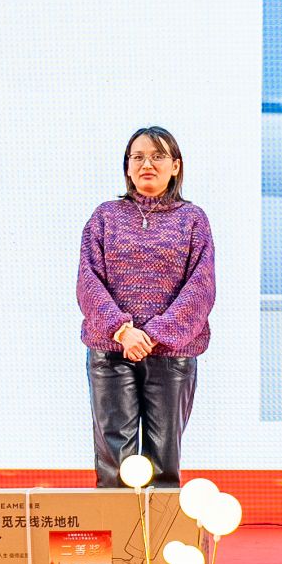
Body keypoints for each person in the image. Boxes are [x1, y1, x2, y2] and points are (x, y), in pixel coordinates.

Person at [77, 127, 216, 488]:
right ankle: (118, 526)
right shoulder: (104, 216)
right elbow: (88, 282)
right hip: (111, 351)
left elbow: (200, 289)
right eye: (137, 157)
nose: (146, 164)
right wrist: (123, 331)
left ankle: (161, 527)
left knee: (163, 463)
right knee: (115, 464)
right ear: (127, 167)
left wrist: (152, 335)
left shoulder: (193, 219)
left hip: (171, 354)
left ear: (175, 166)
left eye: (157, 156)